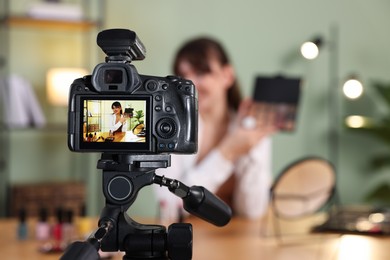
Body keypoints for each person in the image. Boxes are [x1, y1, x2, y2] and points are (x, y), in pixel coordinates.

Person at [155, 37, 276, 220]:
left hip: (237, 238)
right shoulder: (168, 130)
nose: (190, 84)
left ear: (227, 76)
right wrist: (227, 152)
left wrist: (252, 146)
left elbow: (253, 210)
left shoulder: (249, 129)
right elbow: (172, 206)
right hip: (188, 236)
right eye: (182, 76)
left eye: (201, 73)